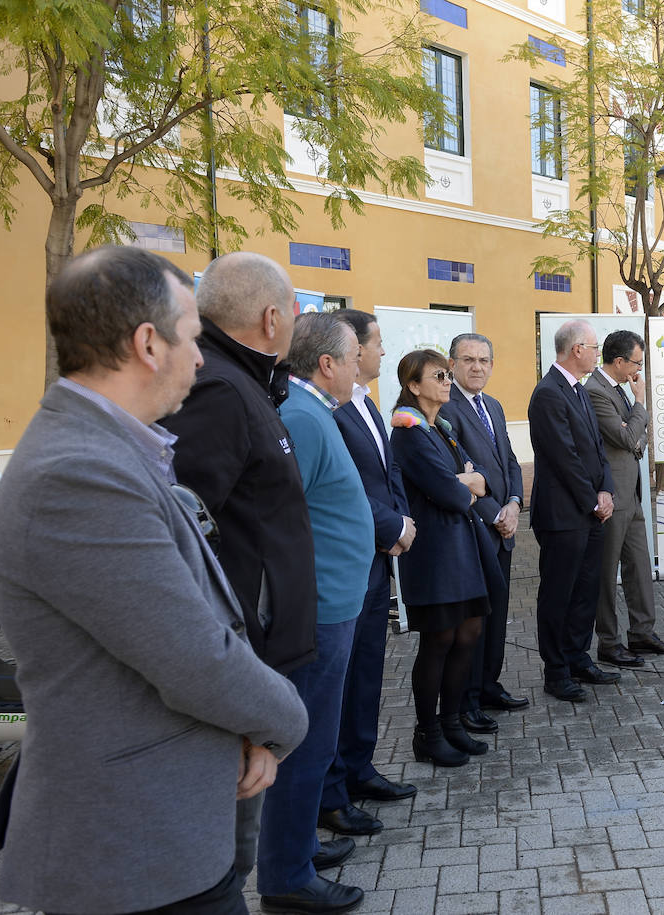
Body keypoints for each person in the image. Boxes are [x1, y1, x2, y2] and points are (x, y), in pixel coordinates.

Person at [0, 246, 308, 915]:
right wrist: (282, 720)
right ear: (148, 344)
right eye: (192, 338)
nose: (200, 357)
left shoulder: (114, 448)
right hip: (134, 847)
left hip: (164, 834)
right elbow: (191, 653)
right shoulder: (78, 473)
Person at [159, 251, 339, 887]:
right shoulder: (221, 389)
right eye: (296, 313)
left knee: (235, 846)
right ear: (271, 318)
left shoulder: (247, 381)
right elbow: (186, 540)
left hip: (261, 640)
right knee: (223, 860)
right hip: (243, 649)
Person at [258, 313, 373, 915]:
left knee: (316, 739)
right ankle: (285, 876)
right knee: (305, 742)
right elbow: (279, 519)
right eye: (354, 357)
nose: (360, 368)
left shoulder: (312, 413)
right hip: (319, 611)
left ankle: (296, 848)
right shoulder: (301, 418)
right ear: (327, 364)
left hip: (334, 605)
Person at [320, 309, 418, 820]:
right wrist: (391, 527)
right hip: (349, 561)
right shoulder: (328, 410)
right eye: (376, 343)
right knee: (338, 682)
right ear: (351, 350)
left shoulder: (367, 405)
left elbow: (387, 472)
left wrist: (400, 522)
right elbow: (347, 489)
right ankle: (331, 792)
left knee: (366, 676)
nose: (382, 352)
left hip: (378, 560)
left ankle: (360, 768)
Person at [389, 349, 501, 766]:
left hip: (462, 545)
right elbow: (455, 493)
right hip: (435, 551)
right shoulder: (410, 432)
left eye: (446, 374)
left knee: (467, 634)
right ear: (414, 386)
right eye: (438, 375)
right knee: (439, 640)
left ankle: (452, 723)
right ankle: (427, 732)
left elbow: (481, 481)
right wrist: (465, 481)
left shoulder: (441, 427)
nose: (447, 380)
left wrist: (466, 480)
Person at [439, 332, 530, 733]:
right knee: (473, 619)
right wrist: (495, 513)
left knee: (497, 614)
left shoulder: (492, 405)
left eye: (484, 360)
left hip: (503, 525)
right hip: (477, 528)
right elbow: (462, 472)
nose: (477, 367)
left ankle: (489, 685)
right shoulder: (446, 408)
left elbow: (508, 460)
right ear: (452, 364)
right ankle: (468, 698)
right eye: (469, 359)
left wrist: (514, 504)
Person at [527, 320, 617, 702]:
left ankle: (579, 657)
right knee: (559, 594)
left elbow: (596, 450)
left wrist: (606, 490)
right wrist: (592, 499)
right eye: (595, 347)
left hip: (590, 509)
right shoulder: (549, 393)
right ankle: (556, 671)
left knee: (586, 590)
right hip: (564, 515)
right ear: (577, 349)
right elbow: (564, 456)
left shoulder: (577, 390)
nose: (598, 354)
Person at [584, 330, 664, 668]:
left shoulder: (617, 390)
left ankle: (642, 632)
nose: (638, 370)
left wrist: (633, 421)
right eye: (637, 363)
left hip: (633, 494)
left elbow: (633, 439)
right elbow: (627, 435)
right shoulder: (596, 392)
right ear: (619, 361)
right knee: (606, 572)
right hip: (611, 495)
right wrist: (640, 402)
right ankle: (608, 642)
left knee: (639, 566)